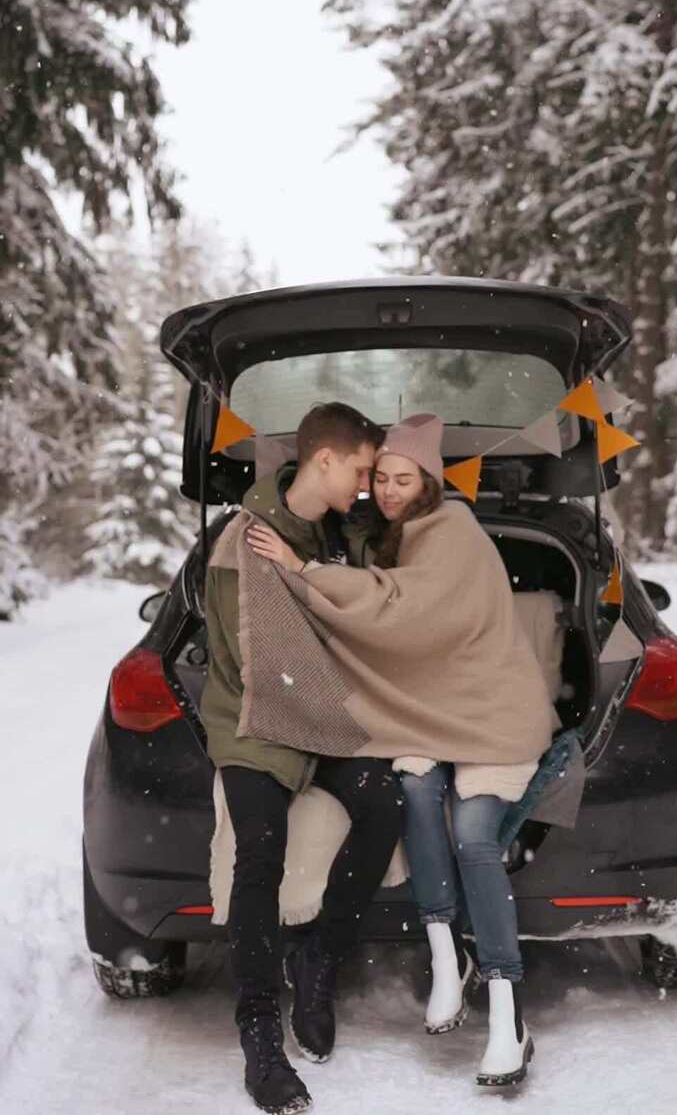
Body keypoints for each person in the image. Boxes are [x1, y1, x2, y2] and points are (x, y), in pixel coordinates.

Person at [249, 413, 561, 1091]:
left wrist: (305, 570)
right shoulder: (396, 538)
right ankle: (447, 954)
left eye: (402, 479)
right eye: (381, 478)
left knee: (474, 836)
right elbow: (401, 633)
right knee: (415, 787)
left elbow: (402, 611)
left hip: (493, 712)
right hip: (435, 713)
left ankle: (508, 1012)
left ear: (430, 482)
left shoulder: (453, 528)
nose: (388, 490)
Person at [203, 401, 402, 1115]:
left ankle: (319, 955)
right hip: (254, 721)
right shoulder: (242, 543)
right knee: (261, 847)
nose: (367, 485)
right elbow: (269, 669)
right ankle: (260, 1037)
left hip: (323, 721)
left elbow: (379, 615)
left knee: (387, 800)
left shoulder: (344, 532)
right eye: (362, 470)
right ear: (324, 460)